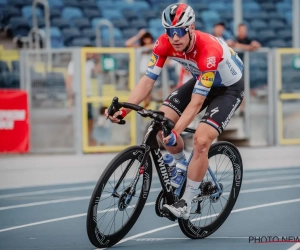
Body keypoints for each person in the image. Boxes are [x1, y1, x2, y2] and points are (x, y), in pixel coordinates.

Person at [106, 3, 244, 220]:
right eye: (169, 32)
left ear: (191, 28)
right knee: (160, 123)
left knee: (200, 141)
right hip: (201, 80)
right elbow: (147, 81)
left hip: (228, 89)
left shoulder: (209, 50)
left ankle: (186, 203)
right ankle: (180, 165)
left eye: (179, 31)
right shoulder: (164, 43)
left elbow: (197, 103)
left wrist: (177, 131)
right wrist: (124, 111)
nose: (174, 37)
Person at [65, 45, 101, 146]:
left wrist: (97, 59)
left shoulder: (90, 63)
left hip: (87, 96)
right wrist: (70, 96)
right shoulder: (74, 63)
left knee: (90, 119)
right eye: (90, 52)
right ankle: (78, 143)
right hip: (78, 96)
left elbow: (99, 70)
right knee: (79, 120)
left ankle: (89, 142)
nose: (91, 54)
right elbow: (69, 79)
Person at [232, 23, 261, 115]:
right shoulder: (235, 39)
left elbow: (257, 45)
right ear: (238, 31)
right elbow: (234, 45)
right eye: (241, 30)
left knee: (242, 89)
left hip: (242, 69)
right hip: (232, 68)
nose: (243, 32)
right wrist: (248, 48)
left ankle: (242, 109)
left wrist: (253, 45)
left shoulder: (248, 40)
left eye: (244, 30)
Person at [125, 29, 155, 108]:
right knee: (142, 90)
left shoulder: (153, 47)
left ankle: (146, 105)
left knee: (147, 91)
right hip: (140, 72)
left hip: (150, 72)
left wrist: (146, 47)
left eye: (148, 38)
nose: (147, 40)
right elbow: (128, 43)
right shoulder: (139, 48)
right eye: (145, 38)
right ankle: (142, 105)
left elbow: (152, 46)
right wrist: (139, 35)